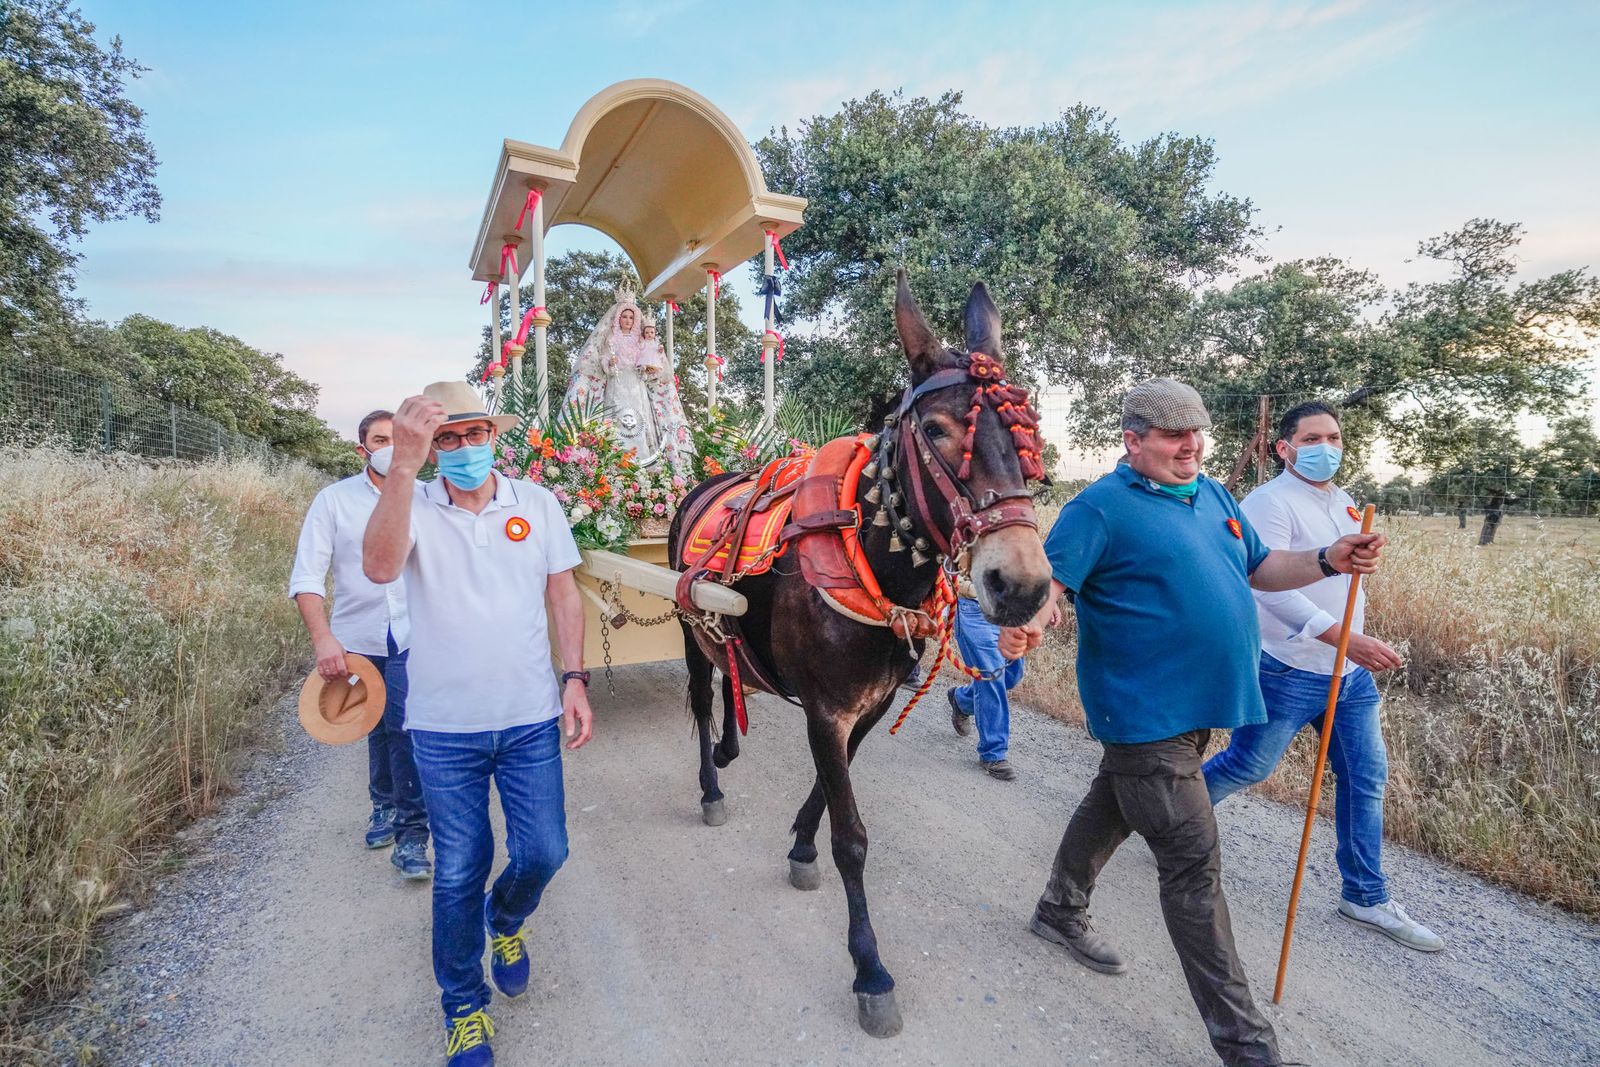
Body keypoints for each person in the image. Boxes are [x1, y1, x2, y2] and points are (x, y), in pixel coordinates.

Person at [1002, 378, 1387, 1067]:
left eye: (1197, 433)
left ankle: (1060, 907)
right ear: (1134, 439)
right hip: (1142, 714)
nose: (1191, 445)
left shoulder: (1210, 493)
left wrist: (1329, 558)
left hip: (1196, 710)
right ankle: (1249, 1048)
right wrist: (1030, 622)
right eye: (1174, 435)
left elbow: (1261, 568)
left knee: (1111, 802)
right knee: (1194, 868)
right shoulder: (1099, 508)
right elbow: (1049, 586)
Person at [363, 380, 594, 1067]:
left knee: (545, 852)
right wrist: (401, 468)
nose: (464, 449)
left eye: (474, 434)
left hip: (527, 717)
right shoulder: (411, 502)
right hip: (441, 727)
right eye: (448, 439)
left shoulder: (538, 503)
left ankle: (507, 919)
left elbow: (562, 591)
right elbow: (378, 566)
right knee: (459, 869)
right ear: (431, 448)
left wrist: (575, 678)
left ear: (494, 435)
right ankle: (463, 1007)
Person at [1204, 401, 1443, 952]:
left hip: (1348, 675)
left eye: (1333, 436)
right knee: (1249, 765)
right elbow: (1263, 584)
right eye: (1311, 438)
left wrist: (1360, 576)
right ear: (1284, 448)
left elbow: (1340, 578)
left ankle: (1365, 895)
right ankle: (1173, 820)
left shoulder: (1345, 501)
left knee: (1365, 776)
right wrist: (1342, 636)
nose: (1326, 447)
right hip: (1288, 666)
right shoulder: (1266, 503)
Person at [288, 409, 431, 879]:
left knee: (404, 724)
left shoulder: (424, 498)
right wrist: (323, 637)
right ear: (363, 448)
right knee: (374, 722)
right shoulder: (333, 501)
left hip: (413, 632)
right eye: (379, 439)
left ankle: (412, 834)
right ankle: (384, 806)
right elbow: (307, 576)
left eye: (396, 438)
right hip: (358, 634)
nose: (389, 446)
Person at [563, 291, 691, 474]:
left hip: (636, 384)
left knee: (639, 418)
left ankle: (640, 460)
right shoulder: (610, 338)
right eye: (624, 316)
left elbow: (649, 358)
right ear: (618, 318)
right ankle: (616, 461)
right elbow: (604, 359)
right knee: (617, 417)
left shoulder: (641, 340)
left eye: (631, 317)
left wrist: (649, 366)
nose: (628, 320)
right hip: (617, 383)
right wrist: (609, 362)